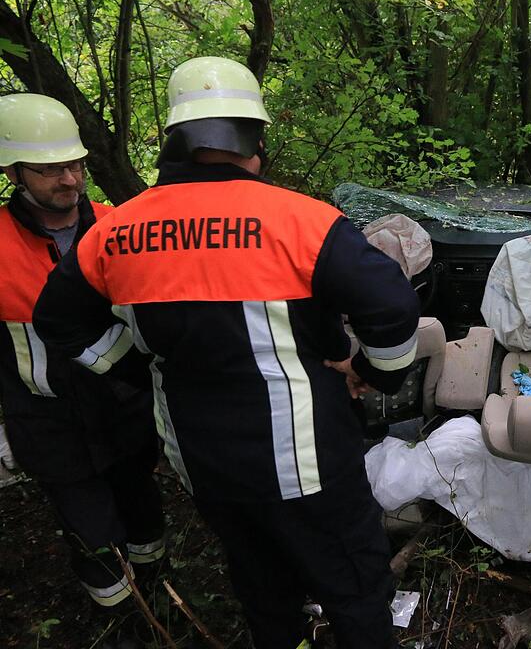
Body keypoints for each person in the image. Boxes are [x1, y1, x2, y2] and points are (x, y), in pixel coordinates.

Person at [33, 57, 420, 649]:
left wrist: (139, 368)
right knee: (355, 587)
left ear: (176, 140)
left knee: (261, 585)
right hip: (308, 462)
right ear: (256, 140)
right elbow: (392, 307)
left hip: (202, 462)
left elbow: (58, 320)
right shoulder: (303, 222)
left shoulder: (114, 232)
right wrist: (373, 372)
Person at [0, 94, 164, 645]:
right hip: (48, 422)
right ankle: (122, 623)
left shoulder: (121, 227)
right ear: (13, 172)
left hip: (126, 408)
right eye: (49, 170)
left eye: (74, 164)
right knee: (93, 532)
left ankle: (161, 595)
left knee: (143, 513)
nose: (69, 179)